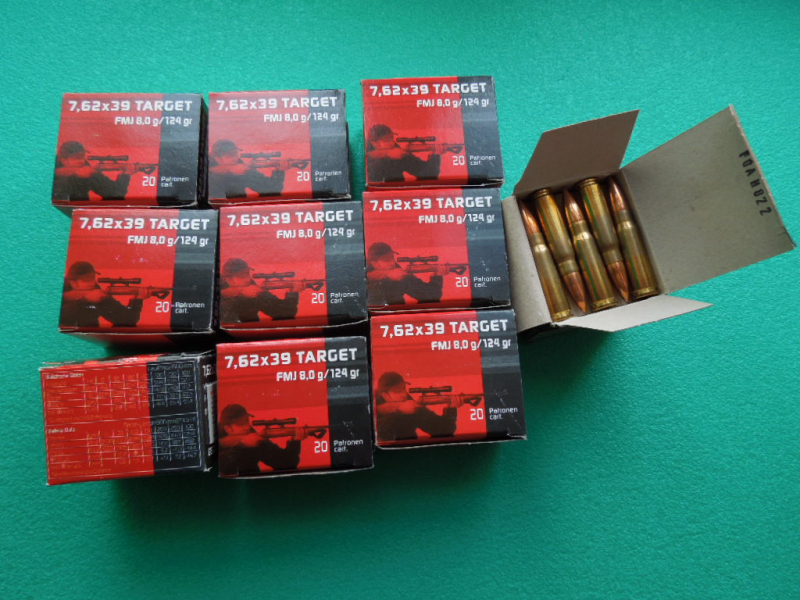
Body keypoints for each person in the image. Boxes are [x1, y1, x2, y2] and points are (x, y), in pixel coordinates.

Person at [218, 404, 303, 476]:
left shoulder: (253, 438)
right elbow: (224, 469)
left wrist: (295, 442)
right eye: (240, 424)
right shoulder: (216, 439)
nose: (247, 427)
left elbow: (287, 464)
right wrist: (241, 445)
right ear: (228, 429)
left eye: (247, 421)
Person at [374, 372, 460, 443]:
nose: (404, 394)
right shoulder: (373, 406)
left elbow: (444, 430)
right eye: (398, 391)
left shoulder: (411, 406)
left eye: (404, 389)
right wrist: (399, 411)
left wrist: (451, 409)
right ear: (385, 396)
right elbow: (381, 433)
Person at [60, 261, 145, 328]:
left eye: (92, 278)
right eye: (86, 280)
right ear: (74, 283)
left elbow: (128, 320)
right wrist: (84, 301)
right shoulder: (60, 292)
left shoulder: (97, 294)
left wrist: (137, 300)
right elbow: (59, 317)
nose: (92, 283)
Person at [219, 258, 301, 324]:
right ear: (228, 279)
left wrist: (293, 293)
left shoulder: (254, 291)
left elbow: (285, 314)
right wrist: (241, 292)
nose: (248, 279)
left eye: (247, 274)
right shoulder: (220, 291)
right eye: (242, 276)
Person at [366, 242, 445, 306]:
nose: (392, 263)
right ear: (375, 264)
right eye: (387, 260)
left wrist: (437, 277)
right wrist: (386, 276)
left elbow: (432, 296)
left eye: (392, 258)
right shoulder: (365, 275)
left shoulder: (399, 274)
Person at [52, 141, 133, 201]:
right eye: (77, 158)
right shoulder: (53, 168)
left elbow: (116, 194)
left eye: (83, 156)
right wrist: (74, 172)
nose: (82, 161)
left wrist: (126, 175)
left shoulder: (87, 170)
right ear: (64, 160)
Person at [208, 139, 285, 199]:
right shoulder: (207, 170)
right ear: (217, 158)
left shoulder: (242, 169)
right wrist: (229, 170)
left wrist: (279, 171)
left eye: (235, 154)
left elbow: (272, 190)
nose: (235, 158)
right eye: (230, 155)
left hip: (237, 209)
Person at [366, 124, 442, 183]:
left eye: (392, 138)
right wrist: (387, 155)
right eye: (387, 140)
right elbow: (370, 173)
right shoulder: (366, 156)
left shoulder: (398, 152)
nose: (392, 143)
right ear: (375, 143)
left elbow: (428, 173)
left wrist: (435, 155)